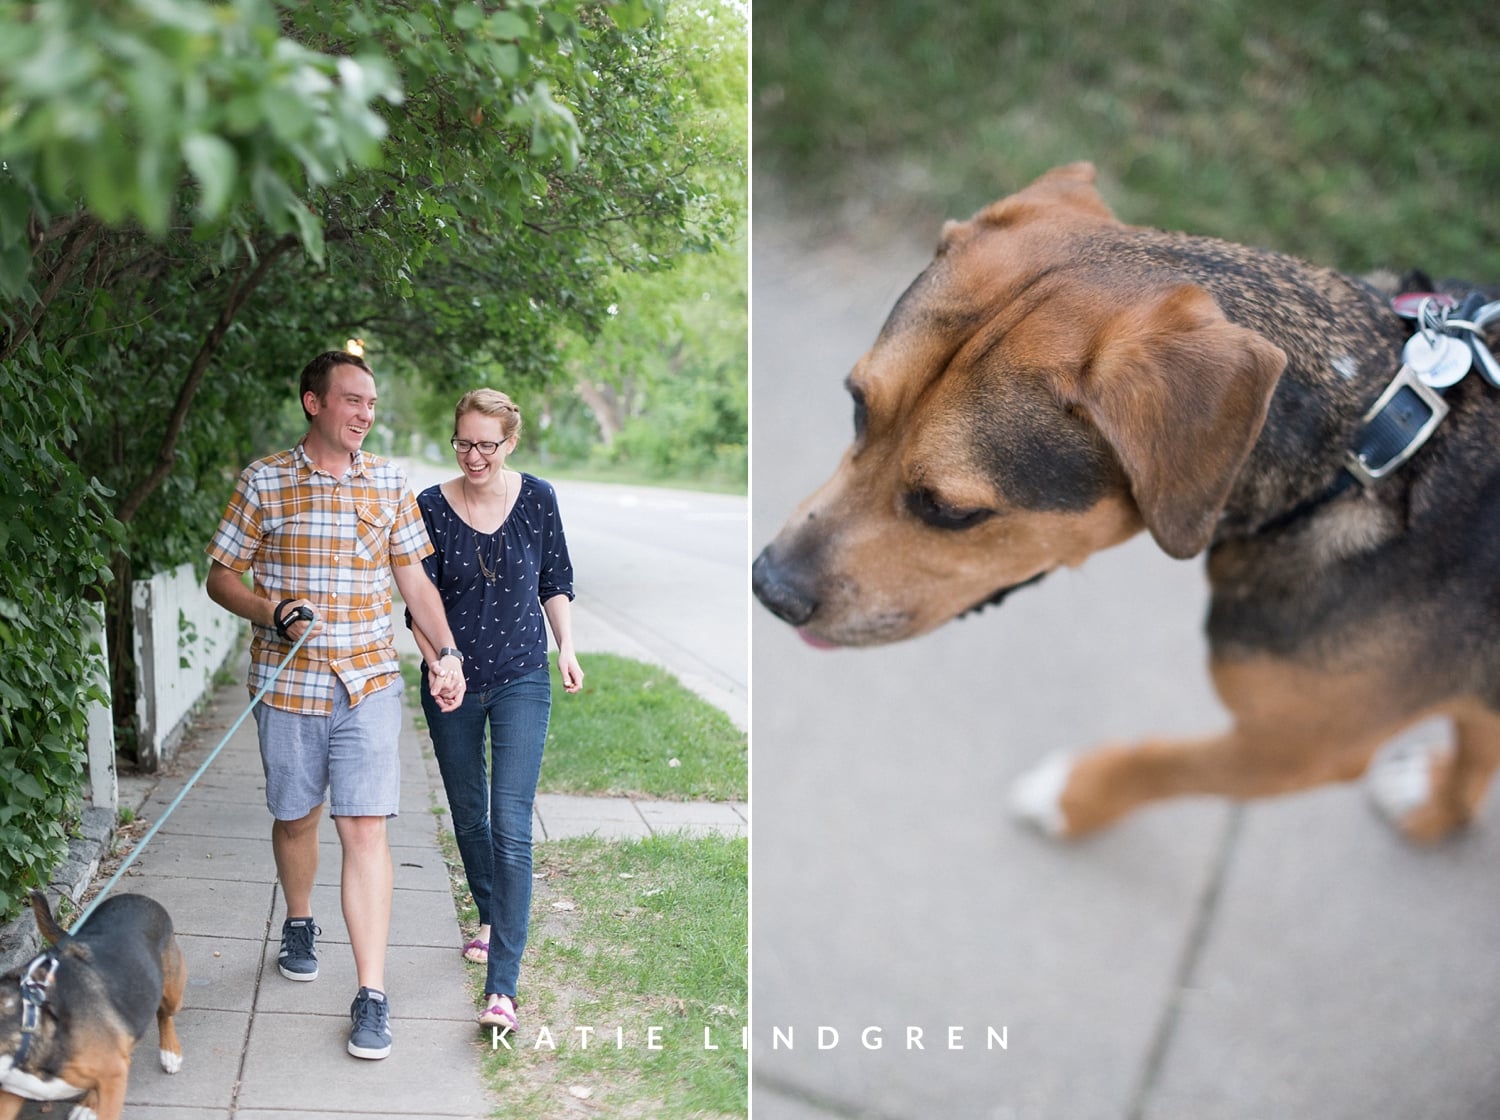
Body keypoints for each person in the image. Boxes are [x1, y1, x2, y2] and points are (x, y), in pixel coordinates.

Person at [205, 350, 468, 1061]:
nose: (364, 414)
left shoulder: (388, 482)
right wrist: (269, 608)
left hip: (370, 683)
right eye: (351, 400)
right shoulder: (264, 481)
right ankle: (298, 919)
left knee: (364, 831)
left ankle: (372, 994)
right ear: (313, 403)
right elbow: (219, 577)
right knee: (296, 817)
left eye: (371, 403)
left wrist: (445, 654)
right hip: (288, 684)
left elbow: (414, 584)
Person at [407, 388, 583, 1032]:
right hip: (451, 681)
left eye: (486, 443)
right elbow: (417, 603)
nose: (474, 454)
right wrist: (435, 662)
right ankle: (488, 912)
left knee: (510, 826)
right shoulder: (429, 506)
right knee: (469, 815)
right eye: (463, 441)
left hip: (520, 679)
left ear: (510, 443)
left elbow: (554, 578)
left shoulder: (536, 498)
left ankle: (501, 986)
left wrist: (566, 646)